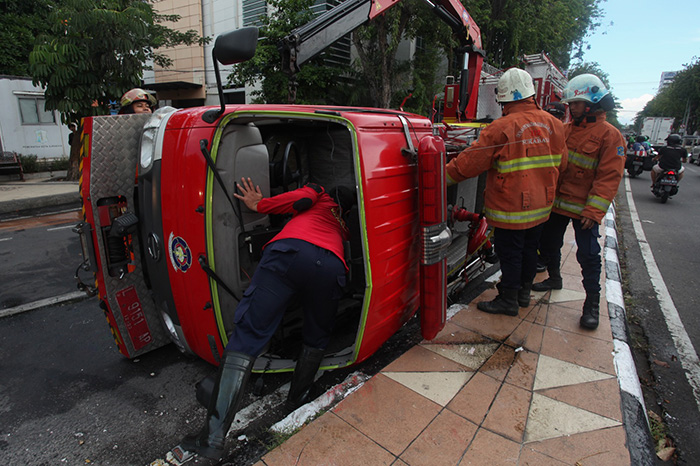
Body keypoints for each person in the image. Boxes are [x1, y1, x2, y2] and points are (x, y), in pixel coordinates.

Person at [181, 178, 354, 461]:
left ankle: (211, 439)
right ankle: (296, 403)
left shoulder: (320, 194)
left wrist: (258, 204)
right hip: (331, 267)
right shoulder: (343, 226)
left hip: (290, 253)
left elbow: (297, 200)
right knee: (316, 336)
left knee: (248, 335)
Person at [445, 68, 568, 316]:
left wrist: (438, 178)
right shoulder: (554, 124)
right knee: (530, 250)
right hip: (542, 206)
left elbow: (469, 164)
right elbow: (562, 164)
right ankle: (522, 294)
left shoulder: (502, 127)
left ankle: (508, 300)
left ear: (504, 98)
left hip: (512, 207)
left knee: (510, 253)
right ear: (530, 94)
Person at [532, 73, 626, 330]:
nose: (570, 107)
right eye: (570, 104)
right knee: (548, 244)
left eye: (575, 103)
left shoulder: (610, 136)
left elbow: (609, 176)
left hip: (585, 210)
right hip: (558, 204)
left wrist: (595, 210)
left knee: (589, 255)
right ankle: (554, 278)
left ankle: (591, 305)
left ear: (592, 104)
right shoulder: (564, 130)